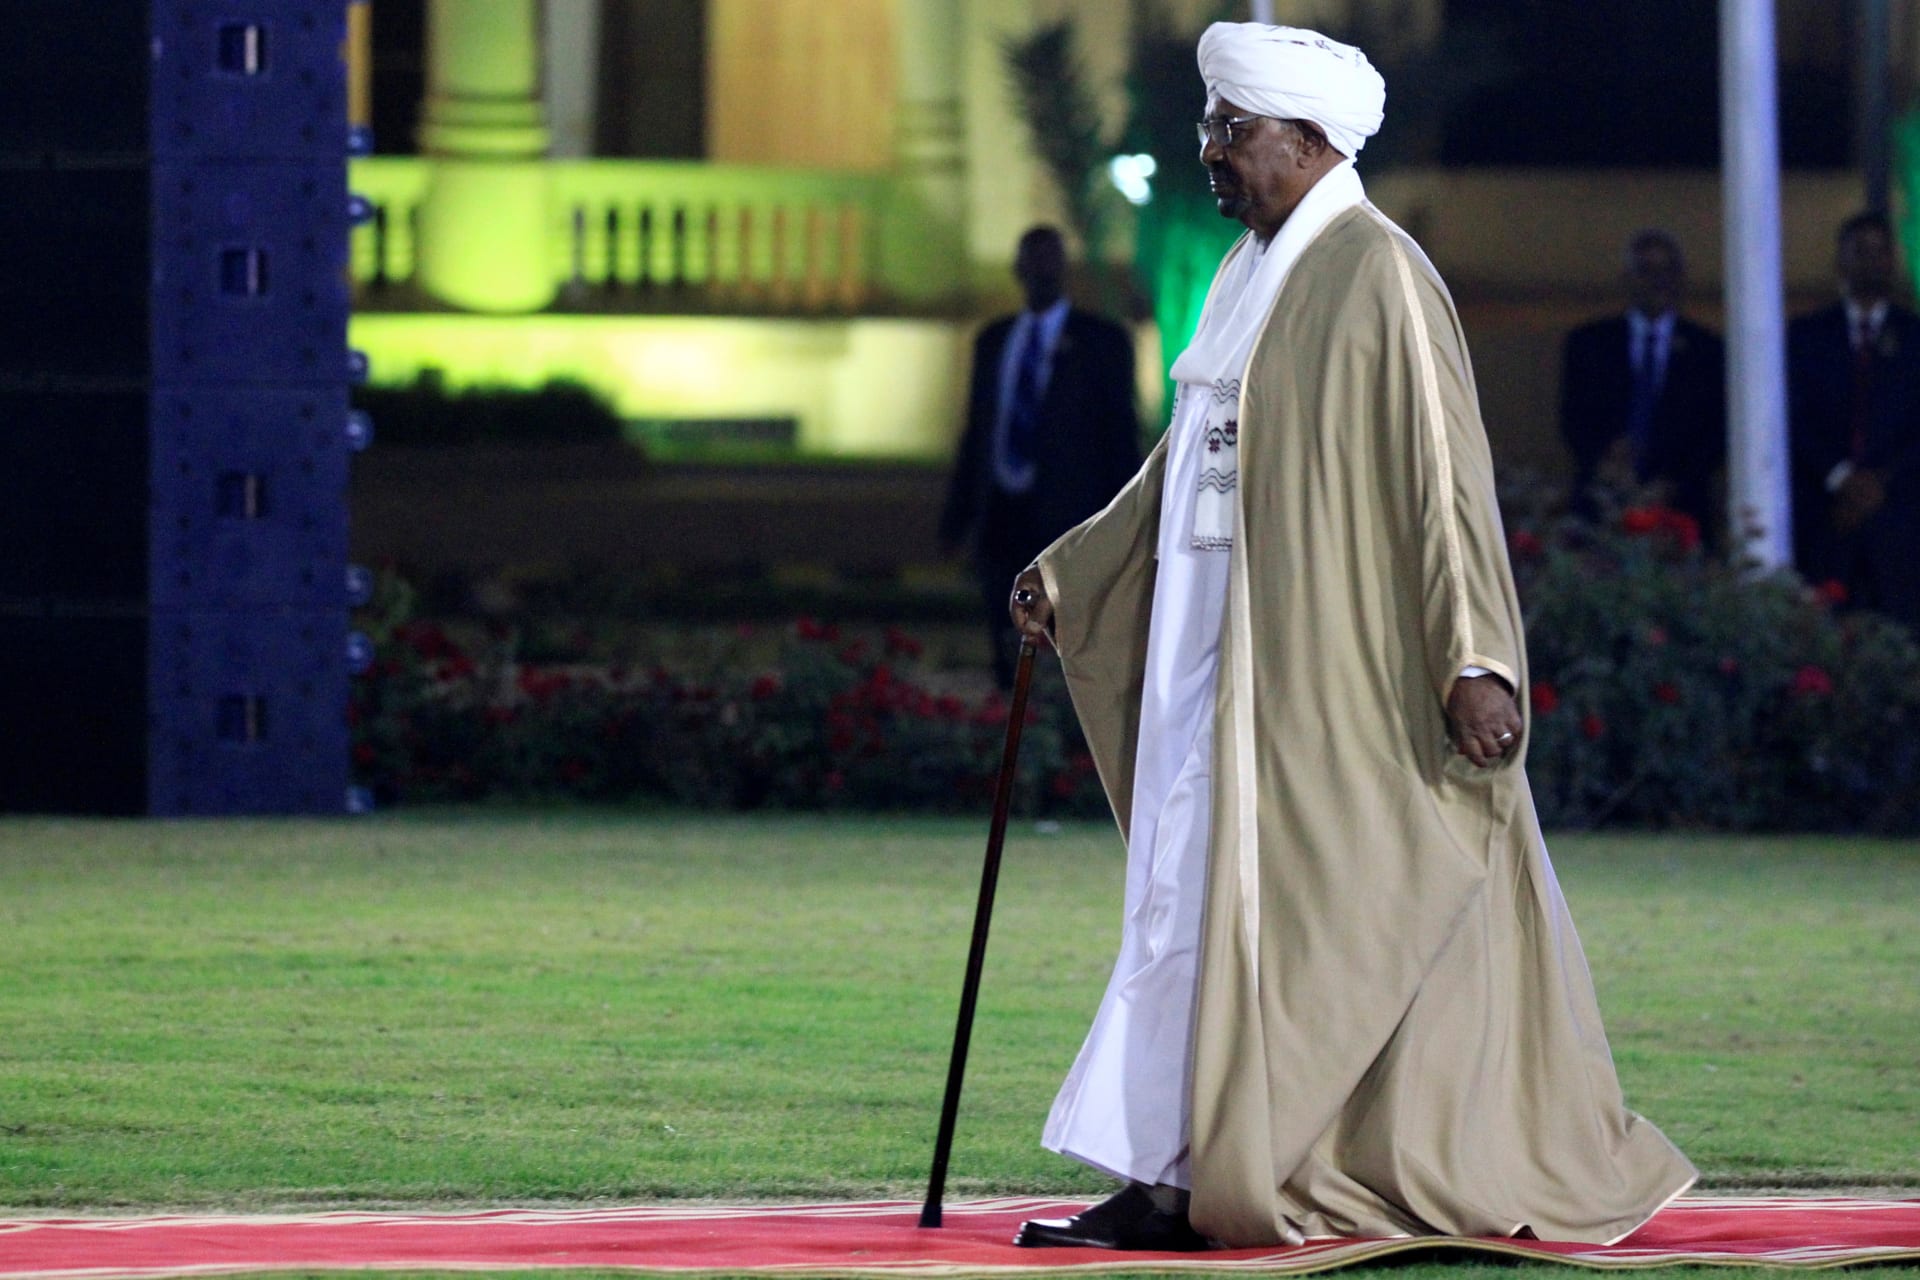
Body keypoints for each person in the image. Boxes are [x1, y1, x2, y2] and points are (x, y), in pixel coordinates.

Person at [1005, 23, 1695, 1252]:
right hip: (1210, 654)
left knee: (1313, 912)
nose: (1209, 149)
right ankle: (1167, 1175)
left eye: (1234, 129)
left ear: (1311, 140)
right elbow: (1190, 460)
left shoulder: (1379, 270)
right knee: (1185, 904)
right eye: (1211, 125)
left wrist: (1473, 654)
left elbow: (1445, 478)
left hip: (1326, 669)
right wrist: (1078, 568)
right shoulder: (1242, 270)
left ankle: (1232, 1173)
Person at [939, 226, 1140, 689]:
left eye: (1050, 261)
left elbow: (1118, 437)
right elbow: (978, 433)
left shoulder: (1101, 342)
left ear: (1063, 270)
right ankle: (1008, 711)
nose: (1041, 272)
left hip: (1065, 514)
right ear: (1018, 269)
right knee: (1001, 624)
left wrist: (1122, 524)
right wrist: (957, 518)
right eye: (1032, 261)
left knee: (1066, 631)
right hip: (1003, 512)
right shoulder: (994, 341)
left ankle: (1058, 719)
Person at [1787, 211, 1920, 633]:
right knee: (1822, 636)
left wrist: (1880, 483)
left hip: (1898, 517)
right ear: (1840, 261)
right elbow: (1793, 417)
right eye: (1859, 251)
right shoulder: (1806, 335)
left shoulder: (1916, 337)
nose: (1871, 261)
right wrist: (1840, 477)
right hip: (1825, 514)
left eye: (1881, 252)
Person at [1559, 230, 1725, 539]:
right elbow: (1573, 419)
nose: (1657, 281)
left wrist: (1671, 482)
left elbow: (1716, 432)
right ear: (1626, 278)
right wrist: (1606, 463)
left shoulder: (1708, 349)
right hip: (1603, 508)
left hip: (1680, 513)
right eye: (1646, 271)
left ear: (1681, 278)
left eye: (1667, 271)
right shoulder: (1588, 343)